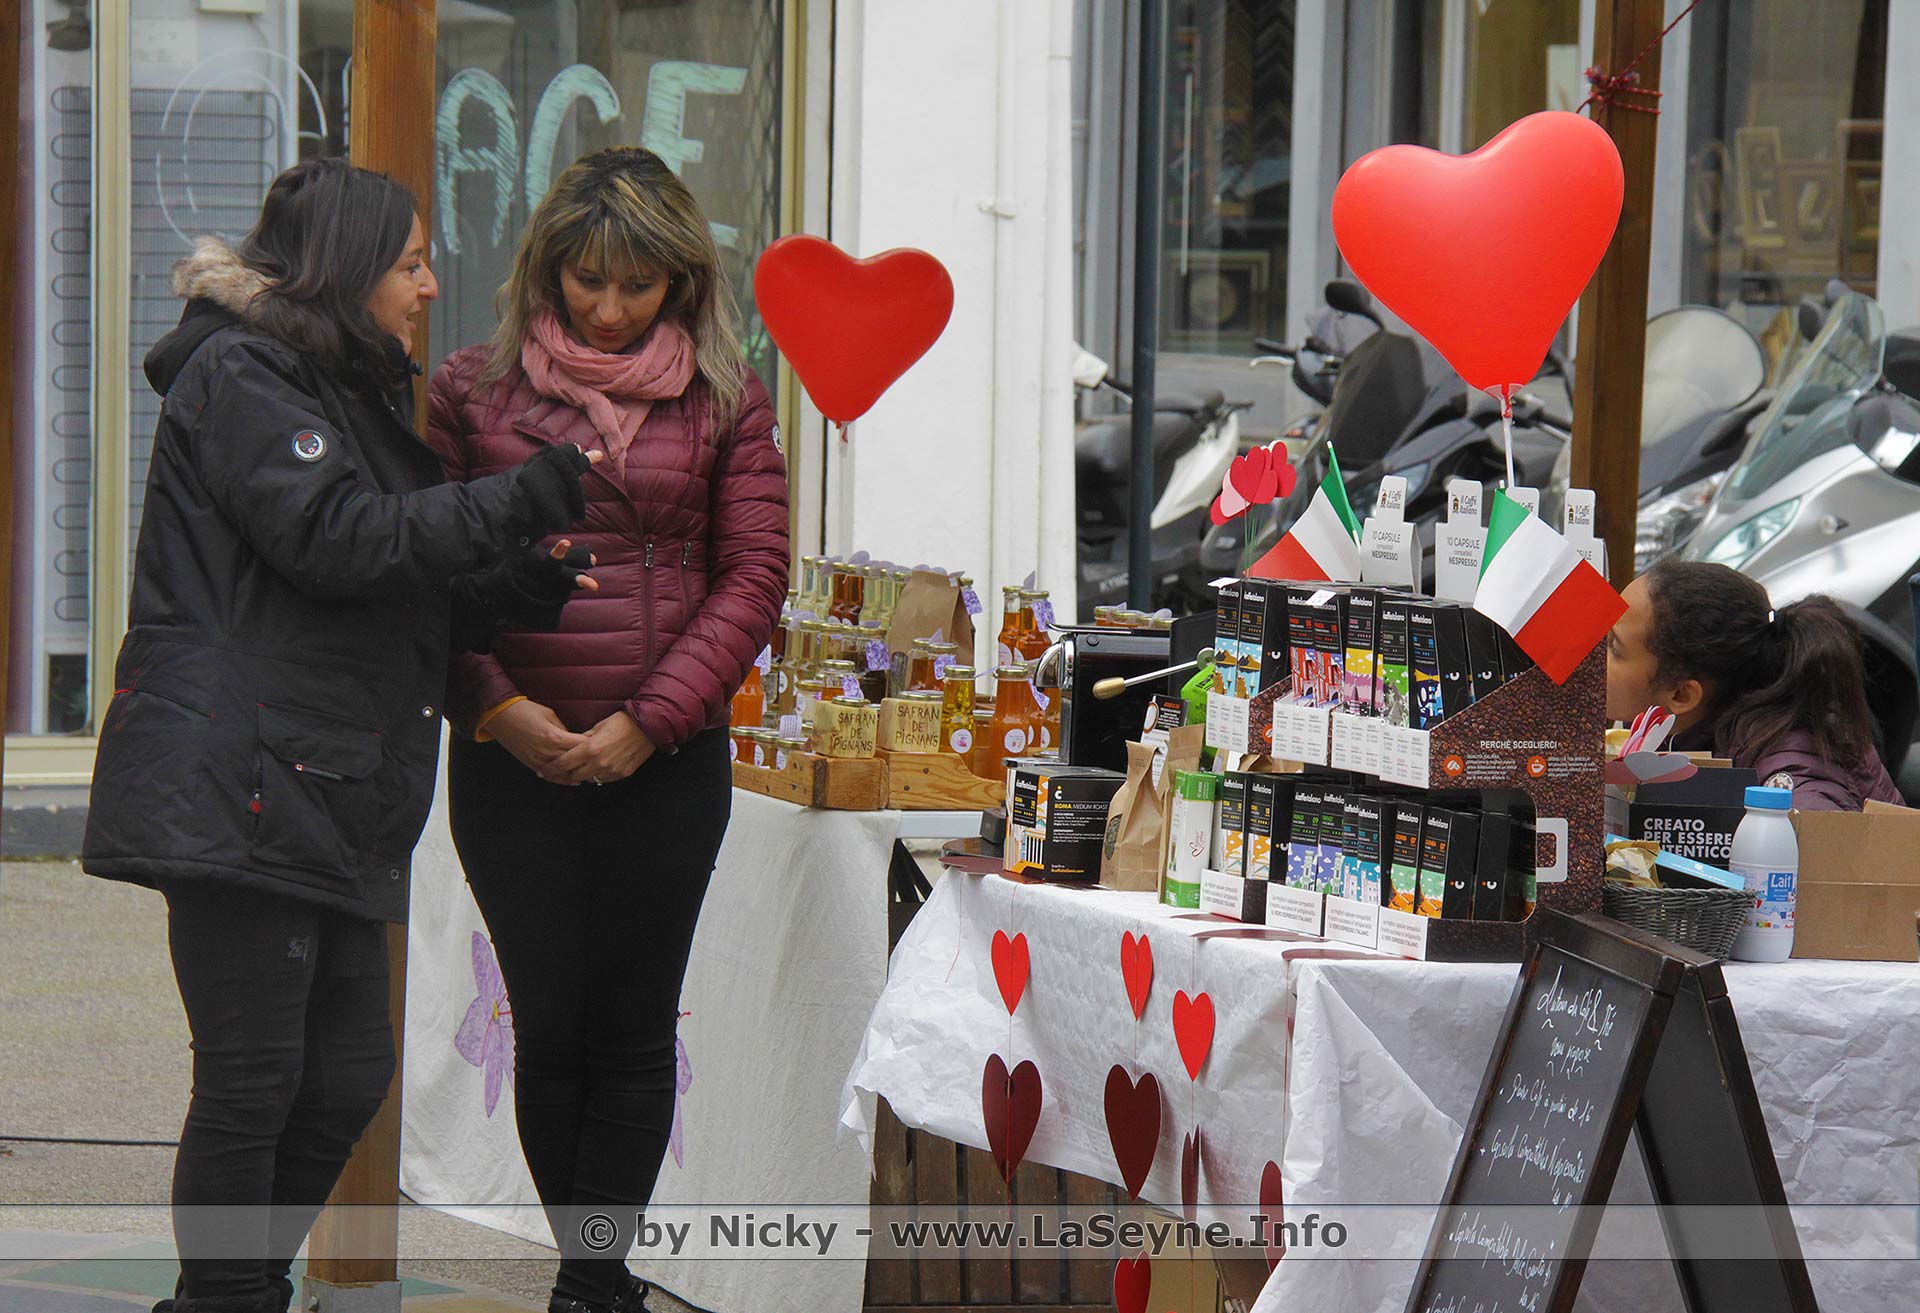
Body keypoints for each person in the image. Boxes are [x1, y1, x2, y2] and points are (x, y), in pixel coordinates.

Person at [82, 158, 602, 1313]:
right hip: (243, 772)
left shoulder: (335, 386)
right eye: (411, 263)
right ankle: (229, 1293)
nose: (429, 287)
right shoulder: (243, 373)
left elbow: (377, 591)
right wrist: (523, 494)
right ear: (350, 265)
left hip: (319, 778)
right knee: (256, 1074)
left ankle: (234, 1287)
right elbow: (340, 539)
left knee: (346, 1072)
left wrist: (518, 582)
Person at [427, 147, 788, 1313]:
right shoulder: (470, 390)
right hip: (510, 760)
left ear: (681, 281)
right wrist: (497, 706)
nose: (612, 308)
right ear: (548, 268)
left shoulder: (728, 395)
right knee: (551, 1025)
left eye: (639, 284)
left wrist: (651, 719)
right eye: (589, 280)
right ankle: (595, 1280)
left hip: (666, 763)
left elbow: (754, 574)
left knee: (634, 1026)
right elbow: (429, 572)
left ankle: (590, 1282)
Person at [1606, 559, 1903, 811]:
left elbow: (1823, 848)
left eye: (1614, 647)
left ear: (1682, 694)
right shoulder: (1677, 726)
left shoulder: (1791, 784)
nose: (1594, 652)